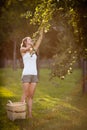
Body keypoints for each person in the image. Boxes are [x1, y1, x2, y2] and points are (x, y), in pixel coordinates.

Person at [20, 29, 44, 118]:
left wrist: (41, 32)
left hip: (34, 75)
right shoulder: (22, 49)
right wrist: (31, 46)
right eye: (29, 39)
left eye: (31, 39)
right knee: (25, 94)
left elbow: (40, 40)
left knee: (31, 95)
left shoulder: (33, 51)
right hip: (26, 74)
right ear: (25, 42)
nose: (31, 40)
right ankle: (20, 113)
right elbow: (27, 48)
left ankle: (29, 114)